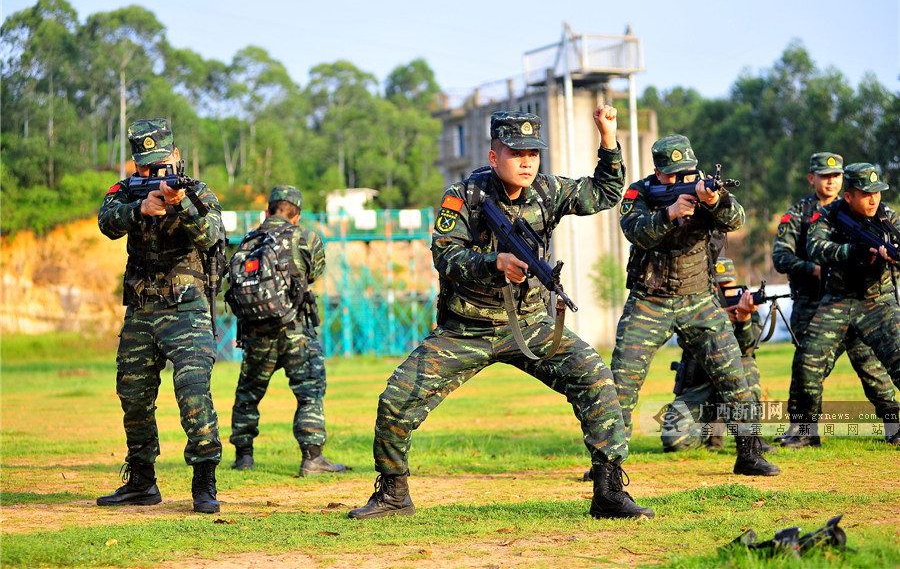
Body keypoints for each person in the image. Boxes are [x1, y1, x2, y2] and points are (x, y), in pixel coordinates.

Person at [349, 107, 654, 521]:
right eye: (516, 152)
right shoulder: (465, 196)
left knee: (595, 377)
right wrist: (494, 263)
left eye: (533, 152)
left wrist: (607, 136)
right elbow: (446, 256)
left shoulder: (548, 191)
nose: (527, 161)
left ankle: (609, 490)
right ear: (494, 157)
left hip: (529, 323)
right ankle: (393, 494)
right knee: (397, 398)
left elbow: (605, 192)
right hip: (465, 329)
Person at [611, 134, 779, 476]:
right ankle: (608, 462)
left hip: (699, 298)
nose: (682, 179)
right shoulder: (638, 193)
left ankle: (749, 453)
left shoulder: (707, 190)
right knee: (622, 381)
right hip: (650, 299)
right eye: (673, 175)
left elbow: (736, 220)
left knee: (734, 374)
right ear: (658, 173)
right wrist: (669, 213)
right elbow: (634, 231)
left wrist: (715, 201)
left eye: (687, 171)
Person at [97, 118, 223, 513]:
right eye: (145, 167)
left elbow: (211, 235)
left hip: (187, 311)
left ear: (177, 156)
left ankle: (204, 481)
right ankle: (141, 482)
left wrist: (178, 203)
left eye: (160, 164)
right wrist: (140, 209)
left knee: (192, 394)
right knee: (133, 397)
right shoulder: (125, 191)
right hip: (140, 310)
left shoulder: (198, 192)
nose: (152, 173)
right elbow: (106, 222)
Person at [772, 153, 899, 448]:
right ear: (850, 195)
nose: (873, 200)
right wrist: (852, 251)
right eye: (866, 194)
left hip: (876, 302)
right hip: (835, 302)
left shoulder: (887, 217)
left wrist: (889, 252)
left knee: (884, 366)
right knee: (807, 364)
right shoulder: (822, 215)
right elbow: (815, 246)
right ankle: (805, 430)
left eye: (877, 193)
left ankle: (895, 426)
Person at [229, 185, 346, 476]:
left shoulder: (248, 240)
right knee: (309, 393)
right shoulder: (305, 237)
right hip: (296, 330)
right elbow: (314, 274)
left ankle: (243, 457)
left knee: (248, 394)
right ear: (297, 216)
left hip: (256, 332)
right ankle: (312, 459)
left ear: (267, 211)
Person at [660, 257, 774, 452]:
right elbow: (684, 339)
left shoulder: (745, 307)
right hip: (699, 384)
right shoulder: (692, 308)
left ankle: (749, 437)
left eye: (728, 287)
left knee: (746, 365)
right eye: (718, 287)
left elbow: (747, 348)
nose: (724, 293)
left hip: (735, 381)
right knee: (675, 442)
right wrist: (715, 322)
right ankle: (711, 431)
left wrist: (743, 320)